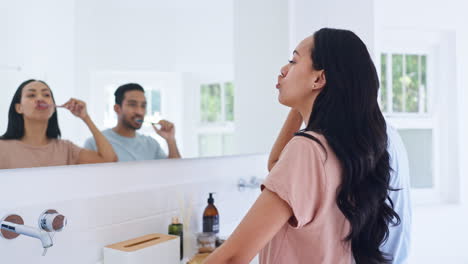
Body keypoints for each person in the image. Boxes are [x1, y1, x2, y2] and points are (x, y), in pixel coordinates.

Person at [204, 28, 400, 264]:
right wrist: (304, 104)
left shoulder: (307, 150)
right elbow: (276, 166)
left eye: (293, 61)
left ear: (319, 79)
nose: (283, 69)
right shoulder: (344, 149)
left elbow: (232, 258)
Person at [0, 79, 118, 169]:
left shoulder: (66, 149)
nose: (40, 98)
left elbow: (109, 160)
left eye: (46, 95)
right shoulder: (2, 148)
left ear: (53, 108)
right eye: (31, 95)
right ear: (19, 107)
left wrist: (85, 117)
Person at [84, 83, 181, 161]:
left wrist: (171, 140)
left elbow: (175, 174)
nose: (140, 111)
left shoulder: (151, 144)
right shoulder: (94, 143)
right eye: (132, 104)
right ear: (117, 109)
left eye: (143, 106)